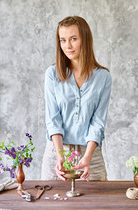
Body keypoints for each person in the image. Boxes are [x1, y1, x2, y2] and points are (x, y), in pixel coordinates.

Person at [41, 16, 112, 181]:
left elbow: (98, 122)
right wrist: (60, 156)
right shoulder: (52, 74)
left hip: (90, 154)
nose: (68, 46)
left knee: (97, 204)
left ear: (85, 40)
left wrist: (86, 158)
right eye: (63, 40)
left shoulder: (103, 77)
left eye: (73, 39)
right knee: (50, 203)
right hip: (57, 151)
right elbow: (53, 119)